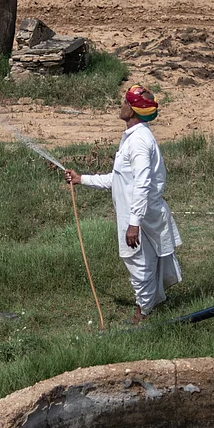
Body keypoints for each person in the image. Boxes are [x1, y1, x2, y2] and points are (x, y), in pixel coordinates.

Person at [65, 85, 182, 325]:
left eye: (126, 103)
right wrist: (82, 179)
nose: (122, 106)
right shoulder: (134, 137)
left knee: (138, 262)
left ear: (134, 110)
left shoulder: (139, 142)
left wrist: (133, 224)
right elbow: (119, 178)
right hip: (139, 213)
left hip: (139, 215)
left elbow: (141, 183)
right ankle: (149, 304)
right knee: (143, 262)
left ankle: (143, 312)